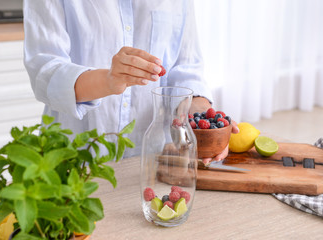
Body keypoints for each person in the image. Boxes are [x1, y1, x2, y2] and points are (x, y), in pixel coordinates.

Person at [23, 0, 238, 163]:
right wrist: (107, 81)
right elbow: (45, 70)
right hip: (74, 158)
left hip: (155, 161)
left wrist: (204, 124)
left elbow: (186, 69)